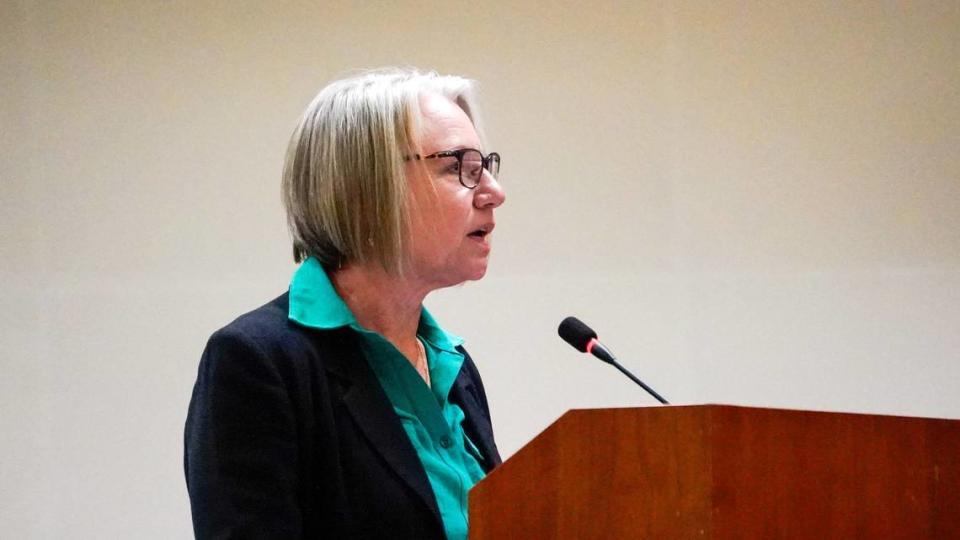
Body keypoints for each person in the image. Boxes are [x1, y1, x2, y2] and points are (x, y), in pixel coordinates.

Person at [184, 68, 506, 539]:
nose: (494, 193)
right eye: (461, 167)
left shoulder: (451, 364)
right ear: (367, 186)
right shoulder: (259, 363)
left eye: (487, 168)